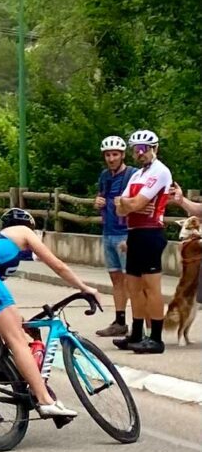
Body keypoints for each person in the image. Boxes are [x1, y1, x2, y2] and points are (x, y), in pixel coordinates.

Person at [0, 208, 103, 419]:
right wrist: (85, 288)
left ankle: (1, 371)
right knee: (17, 340)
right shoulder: (22, 231)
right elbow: (57, 265)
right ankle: (45, 400)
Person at [113, 130, 173, 354]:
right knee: (133, 286)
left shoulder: (160, 171)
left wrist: (127, 203)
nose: (139, 153)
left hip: (150, 232)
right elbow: (119, 206)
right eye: (136, 150)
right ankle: (136, 333)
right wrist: (127, 203)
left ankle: (156, 337)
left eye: (143, 149)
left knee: (151, 287)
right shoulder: (137, 175)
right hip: (134, 232)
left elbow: (135, 204)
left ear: (154, 149)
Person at [93, 136, 138, 338]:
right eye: (108, 155)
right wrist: (98, 204)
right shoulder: (105, 176)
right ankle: (120, 321)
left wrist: (132, 235)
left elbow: (139, 203)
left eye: (115, 154)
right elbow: (103, 200)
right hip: (108, 231)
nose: (111, 159)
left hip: (125, 233)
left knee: (133, 281)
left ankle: (140, 325)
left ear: (122, 155)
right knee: (116, 279)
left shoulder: (132, 175)